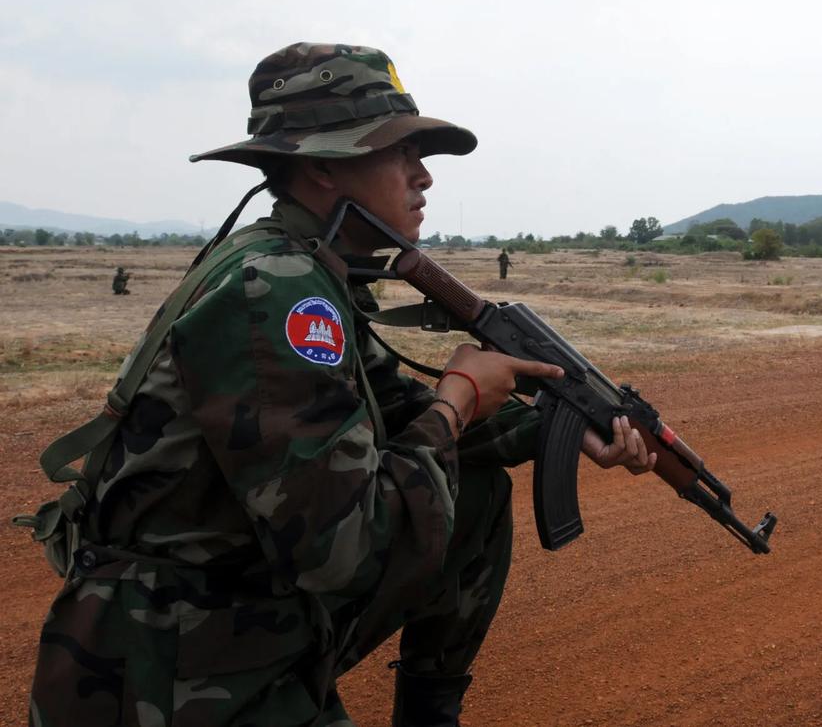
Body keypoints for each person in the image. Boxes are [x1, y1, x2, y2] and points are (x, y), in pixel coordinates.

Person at [26, 43, 656, 727]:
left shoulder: (307, 265)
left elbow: (397, 410)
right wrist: (460, 397)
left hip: (228, 609)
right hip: (162, 662)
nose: (423, 179)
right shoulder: (280, 289)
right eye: (400, 153)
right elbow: (342, 550)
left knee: (473, 494)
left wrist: (565, 428)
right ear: (323, 165)